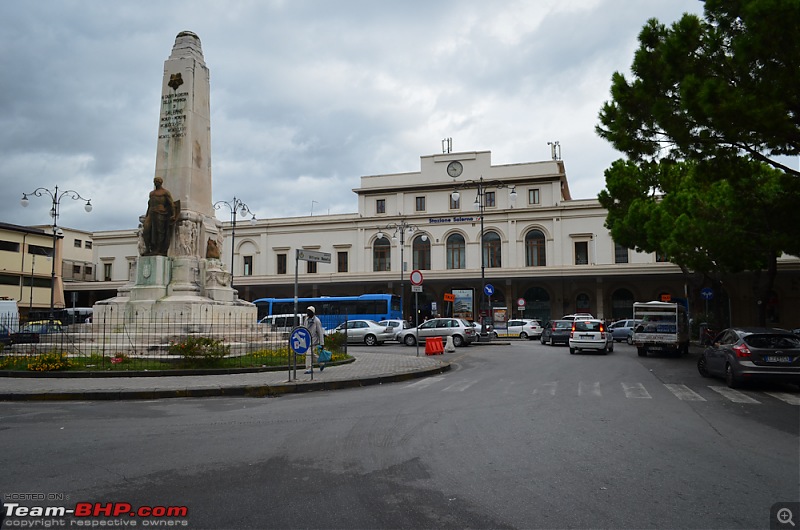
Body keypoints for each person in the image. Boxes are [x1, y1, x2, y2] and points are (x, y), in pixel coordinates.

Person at [142, 176, 177, 256]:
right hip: (151, 213)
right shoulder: (152, 193)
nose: (156, 183)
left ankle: (158, 249)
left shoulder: (165, 192)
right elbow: (149, 204)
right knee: (146, 230)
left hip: (160, 213)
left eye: (157, 181)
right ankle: (148, 248)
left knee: (159, 231)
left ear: (161, 183)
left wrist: (173, 214)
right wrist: (147, 215)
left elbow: (171, 204)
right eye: (155, 181)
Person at [302, 305, 325, 374]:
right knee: (311, 354)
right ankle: (321, 363)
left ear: (313, 312)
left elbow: (320, 332)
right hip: (307, 339)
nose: (307, 313)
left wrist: (322, 343)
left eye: (309, 312)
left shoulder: (317, 321)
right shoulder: (306, 319)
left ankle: (309, 368)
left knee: (308, 354)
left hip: (314, 340)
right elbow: (304, 329)